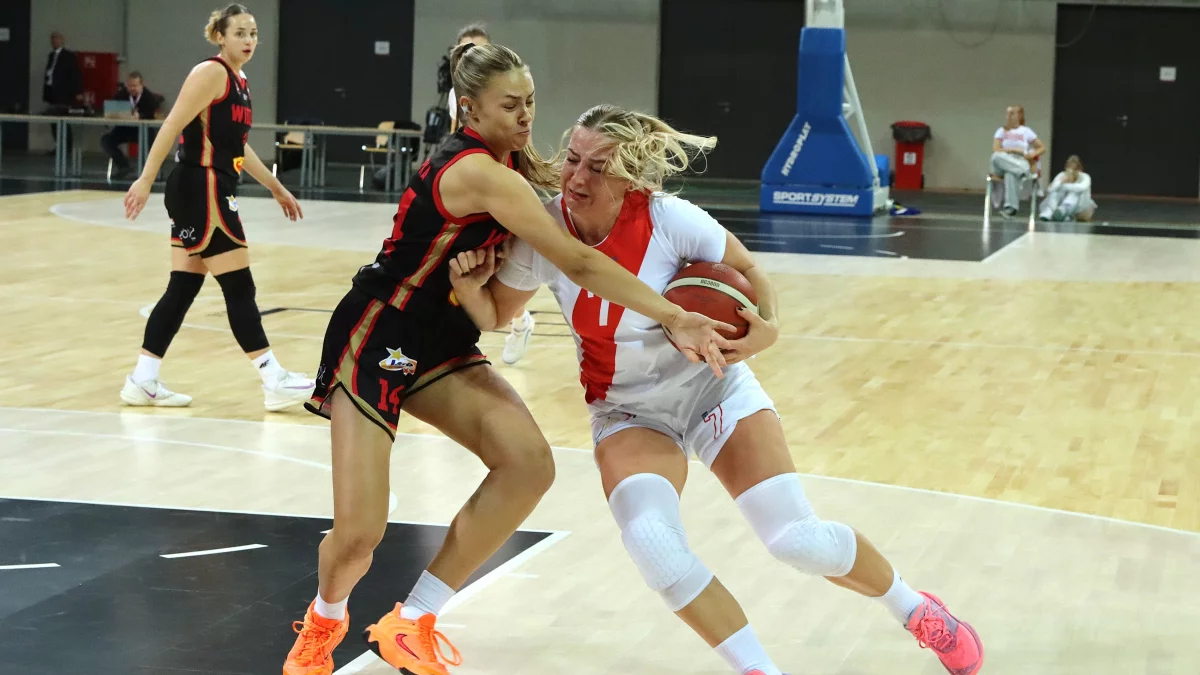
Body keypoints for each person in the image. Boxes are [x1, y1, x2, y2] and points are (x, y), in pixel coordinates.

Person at [448, 104, 985, 675]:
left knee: (797, 541)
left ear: (629, 176)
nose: (577, 177)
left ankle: (915, 609)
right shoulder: (543, 231)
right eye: (574, 160)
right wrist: (471, 288)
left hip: (713, 390)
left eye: (598, 168)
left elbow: (750, 271)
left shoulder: (670, 220)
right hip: (627, 410)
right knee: (652, 543)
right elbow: (498, 315)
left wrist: (766, 329)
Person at [281, 44, 732, 675]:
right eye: (511, 105)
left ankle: (412, 619)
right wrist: (672, 313)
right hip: (379, 332)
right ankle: (324, 624)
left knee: (528, 465)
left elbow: (574, 193)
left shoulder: (511, 161)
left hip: (441, 338)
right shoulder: (478, 172)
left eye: (530, 103)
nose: (526, 117)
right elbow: (577, 261)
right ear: (469, 108)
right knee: (359, 536)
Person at [120, 3, 315, 412]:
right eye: (240, 33)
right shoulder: (211, 73)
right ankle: (273, 378)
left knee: (183, 287)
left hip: (204, 186)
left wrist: (276, 187)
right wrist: (145, 178)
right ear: (220, 37)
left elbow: (238, 146)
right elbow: (172, 124)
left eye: (253, 33)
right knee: (239, 285)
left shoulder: (239, 80)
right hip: (202, 186)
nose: (249, 40)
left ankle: (142, 379)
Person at [445, 23, 535, 365]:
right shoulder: (460, 110)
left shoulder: (504, 96)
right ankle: (515, 321)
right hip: (475, 176)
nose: (525, 113)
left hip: (493, 172)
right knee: (479, 263)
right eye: (467, 48)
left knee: (509, 255)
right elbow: (457, 132)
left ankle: (518, 321)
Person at [101, 71, 163, 180]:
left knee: (151, 142)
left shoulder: (149, 97)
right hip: (124, 129)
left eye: (134, 86)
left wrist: (141, 116)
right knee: (106, 140)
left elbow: (151, 114)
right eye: (129, 86)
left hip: (143, 131)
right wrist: (112, 116)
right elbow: (111, 109)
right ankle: (123, 166)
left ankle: (148, 173)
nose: (131, 88)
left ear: (141, 85)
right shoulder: (121, 94)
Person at [989, 104, 1045, 217]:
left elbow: (1042, 148)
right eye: (1007, 114)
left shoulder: (1026, 131)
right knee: (995, 156)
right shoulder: (1001, 131)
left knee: (1010, 173)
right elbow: (996, 149)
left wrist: (1032, 154)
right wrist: (1013, 149)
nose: (1009, 116)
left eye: (1012, 113)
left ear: (1019, 116)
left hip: (1019, 160)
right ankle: (1023, 171)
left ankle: (1011, 208)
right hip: (1003, 161)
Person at [41, 31, 82, 154]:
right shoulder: (51, 55)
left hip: (63, 94)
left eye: (56, 39)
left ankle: (67, 147)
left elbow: (75, 74)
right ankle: (58, 145)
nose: (53, 42)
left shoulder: (69, 56)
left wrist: (77, 92)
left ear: (61, 40)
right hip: (52, 92)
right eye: (52, 39)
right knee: (53, 121)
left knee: (63, 121)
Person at [1039, 155, 1097, 222]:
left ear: (1079, 170)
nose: (1071, 172)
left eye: (1074, 169)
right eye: (1069, 168)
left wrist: (1065, 185)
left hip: (1080, 206)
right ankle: (1050, 211)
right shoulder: (1062, 175)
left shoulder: (1085, 177)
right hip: (1058, 204)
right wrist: (1060, 182)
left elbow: (1082, 187)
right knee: (1056, 190)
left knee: (1074, 192)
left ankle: (1063, 210)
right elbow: (1050, 189)